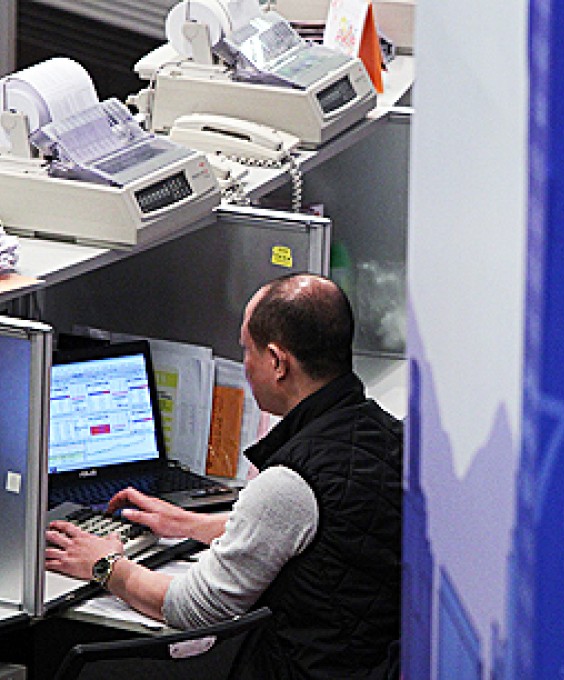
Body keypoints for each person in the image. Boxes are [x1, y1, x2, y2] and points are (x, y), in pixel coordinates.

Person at [45, 273, 403, 679]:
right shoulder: (387, 433)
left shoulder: (291, 481)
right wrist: (189, 523)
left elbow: (192, 607)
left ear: (277, 362)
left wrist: (106, 565)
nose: (245, 363)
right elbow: (325, 537)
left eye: (246, 350)